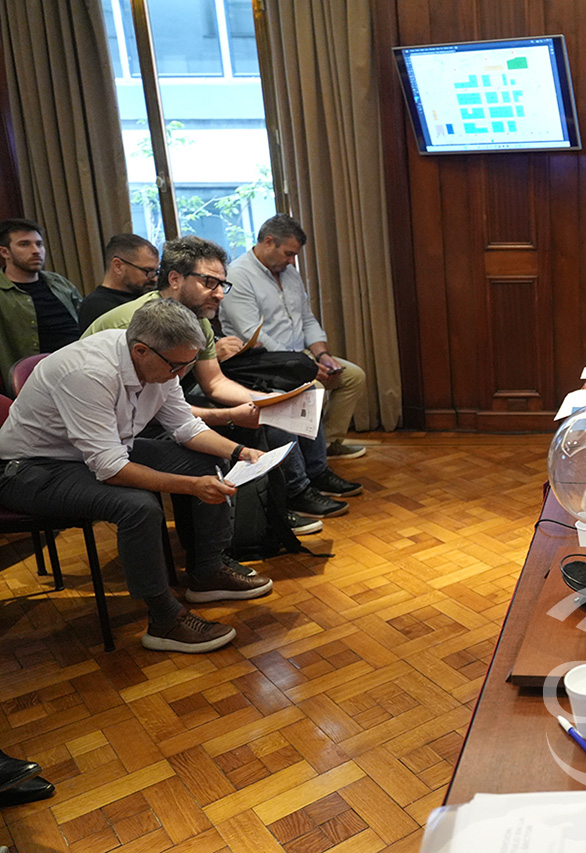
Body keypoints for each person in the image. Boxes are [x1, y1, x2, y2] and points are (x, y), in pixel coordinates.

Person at [0, 298, 273, 653]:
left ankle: (207, 572)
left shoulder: (163, 358)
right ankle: (164, 620)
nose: (181, 374)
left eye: (188, 364)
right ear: (141, 350)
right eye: (177, 366)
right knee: (138, 506)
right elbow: (111, 469)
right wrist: (192, 487)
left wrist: (239, 452)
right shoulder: (89, 372)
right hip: (29, 468)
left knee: (202, 461)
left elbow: (185, 427)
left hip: (96, 451)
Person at [83, 235, 359, 521]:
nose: (219, 294)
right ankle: (280, 506)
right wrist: (231, 415)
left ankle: (291, 496)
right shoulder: (137, 322)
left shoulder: (198, 321)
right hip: (113, 426)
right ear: (175, 279)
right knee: (252, 429)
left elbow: (214, 383)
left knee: (275, 409)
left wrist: (269, 401)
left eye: (221, 285)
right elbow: (148, 408)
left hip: (162, 405)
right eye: (209, 282)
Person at [221, 214, 368, 460]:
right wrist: (304, 365)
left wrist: (322, 354)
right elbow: (252, 333)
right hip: (263, 362)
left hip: (300, 355)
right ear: (269, 242)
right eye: (289, 254)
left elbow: (306, 318)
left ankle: (329, 445)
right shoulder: (238, 275)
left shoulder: (289, 273)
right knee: (315, 389)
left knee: (354, 377)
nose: (292, 261)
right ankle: (310, 460)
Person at [0, 218, 81, 390]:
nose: (36, 251)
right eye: (24, 244)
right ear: (5, 252)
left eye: (39, 244)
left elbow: (84, 319)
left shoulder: (59, 283)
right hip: (36, 380)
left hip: (79, 367)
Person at [78, 234, 160, 331]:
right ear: (118, 266)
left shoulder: (143, 293)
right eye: (147, 271)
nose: (154, 278)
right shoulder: (95, 307)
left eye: (155, 272)